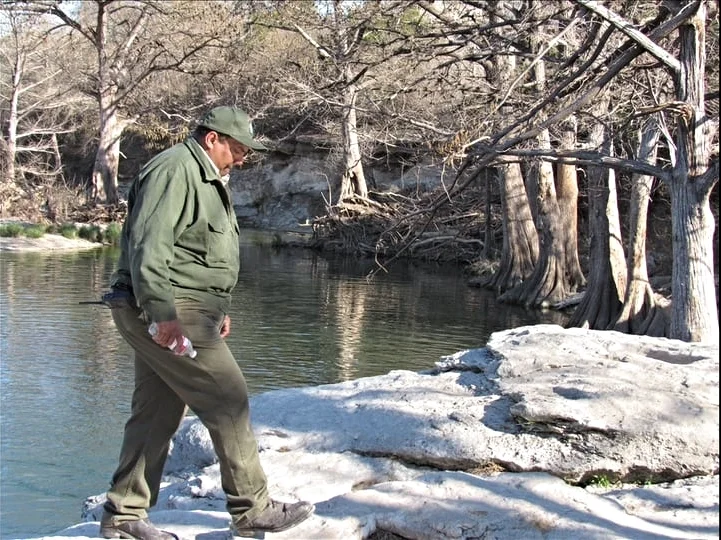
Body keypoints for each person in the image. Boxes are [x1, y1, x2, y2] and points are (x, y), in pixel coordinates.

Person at [99, 106, 314, 540]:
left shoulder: (204, 176)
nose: (242, 158)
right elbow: (149, 247)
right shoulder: (176, 170)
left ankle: (123, 516)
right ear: (212, 138)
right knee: (228, 399)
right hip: (169, 310)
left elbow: (195, 254)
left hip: (187, 309)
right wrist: (164, 316)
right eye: (238, 149)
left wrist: (216, 309)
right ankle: (252, 509)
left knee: (156, 412)